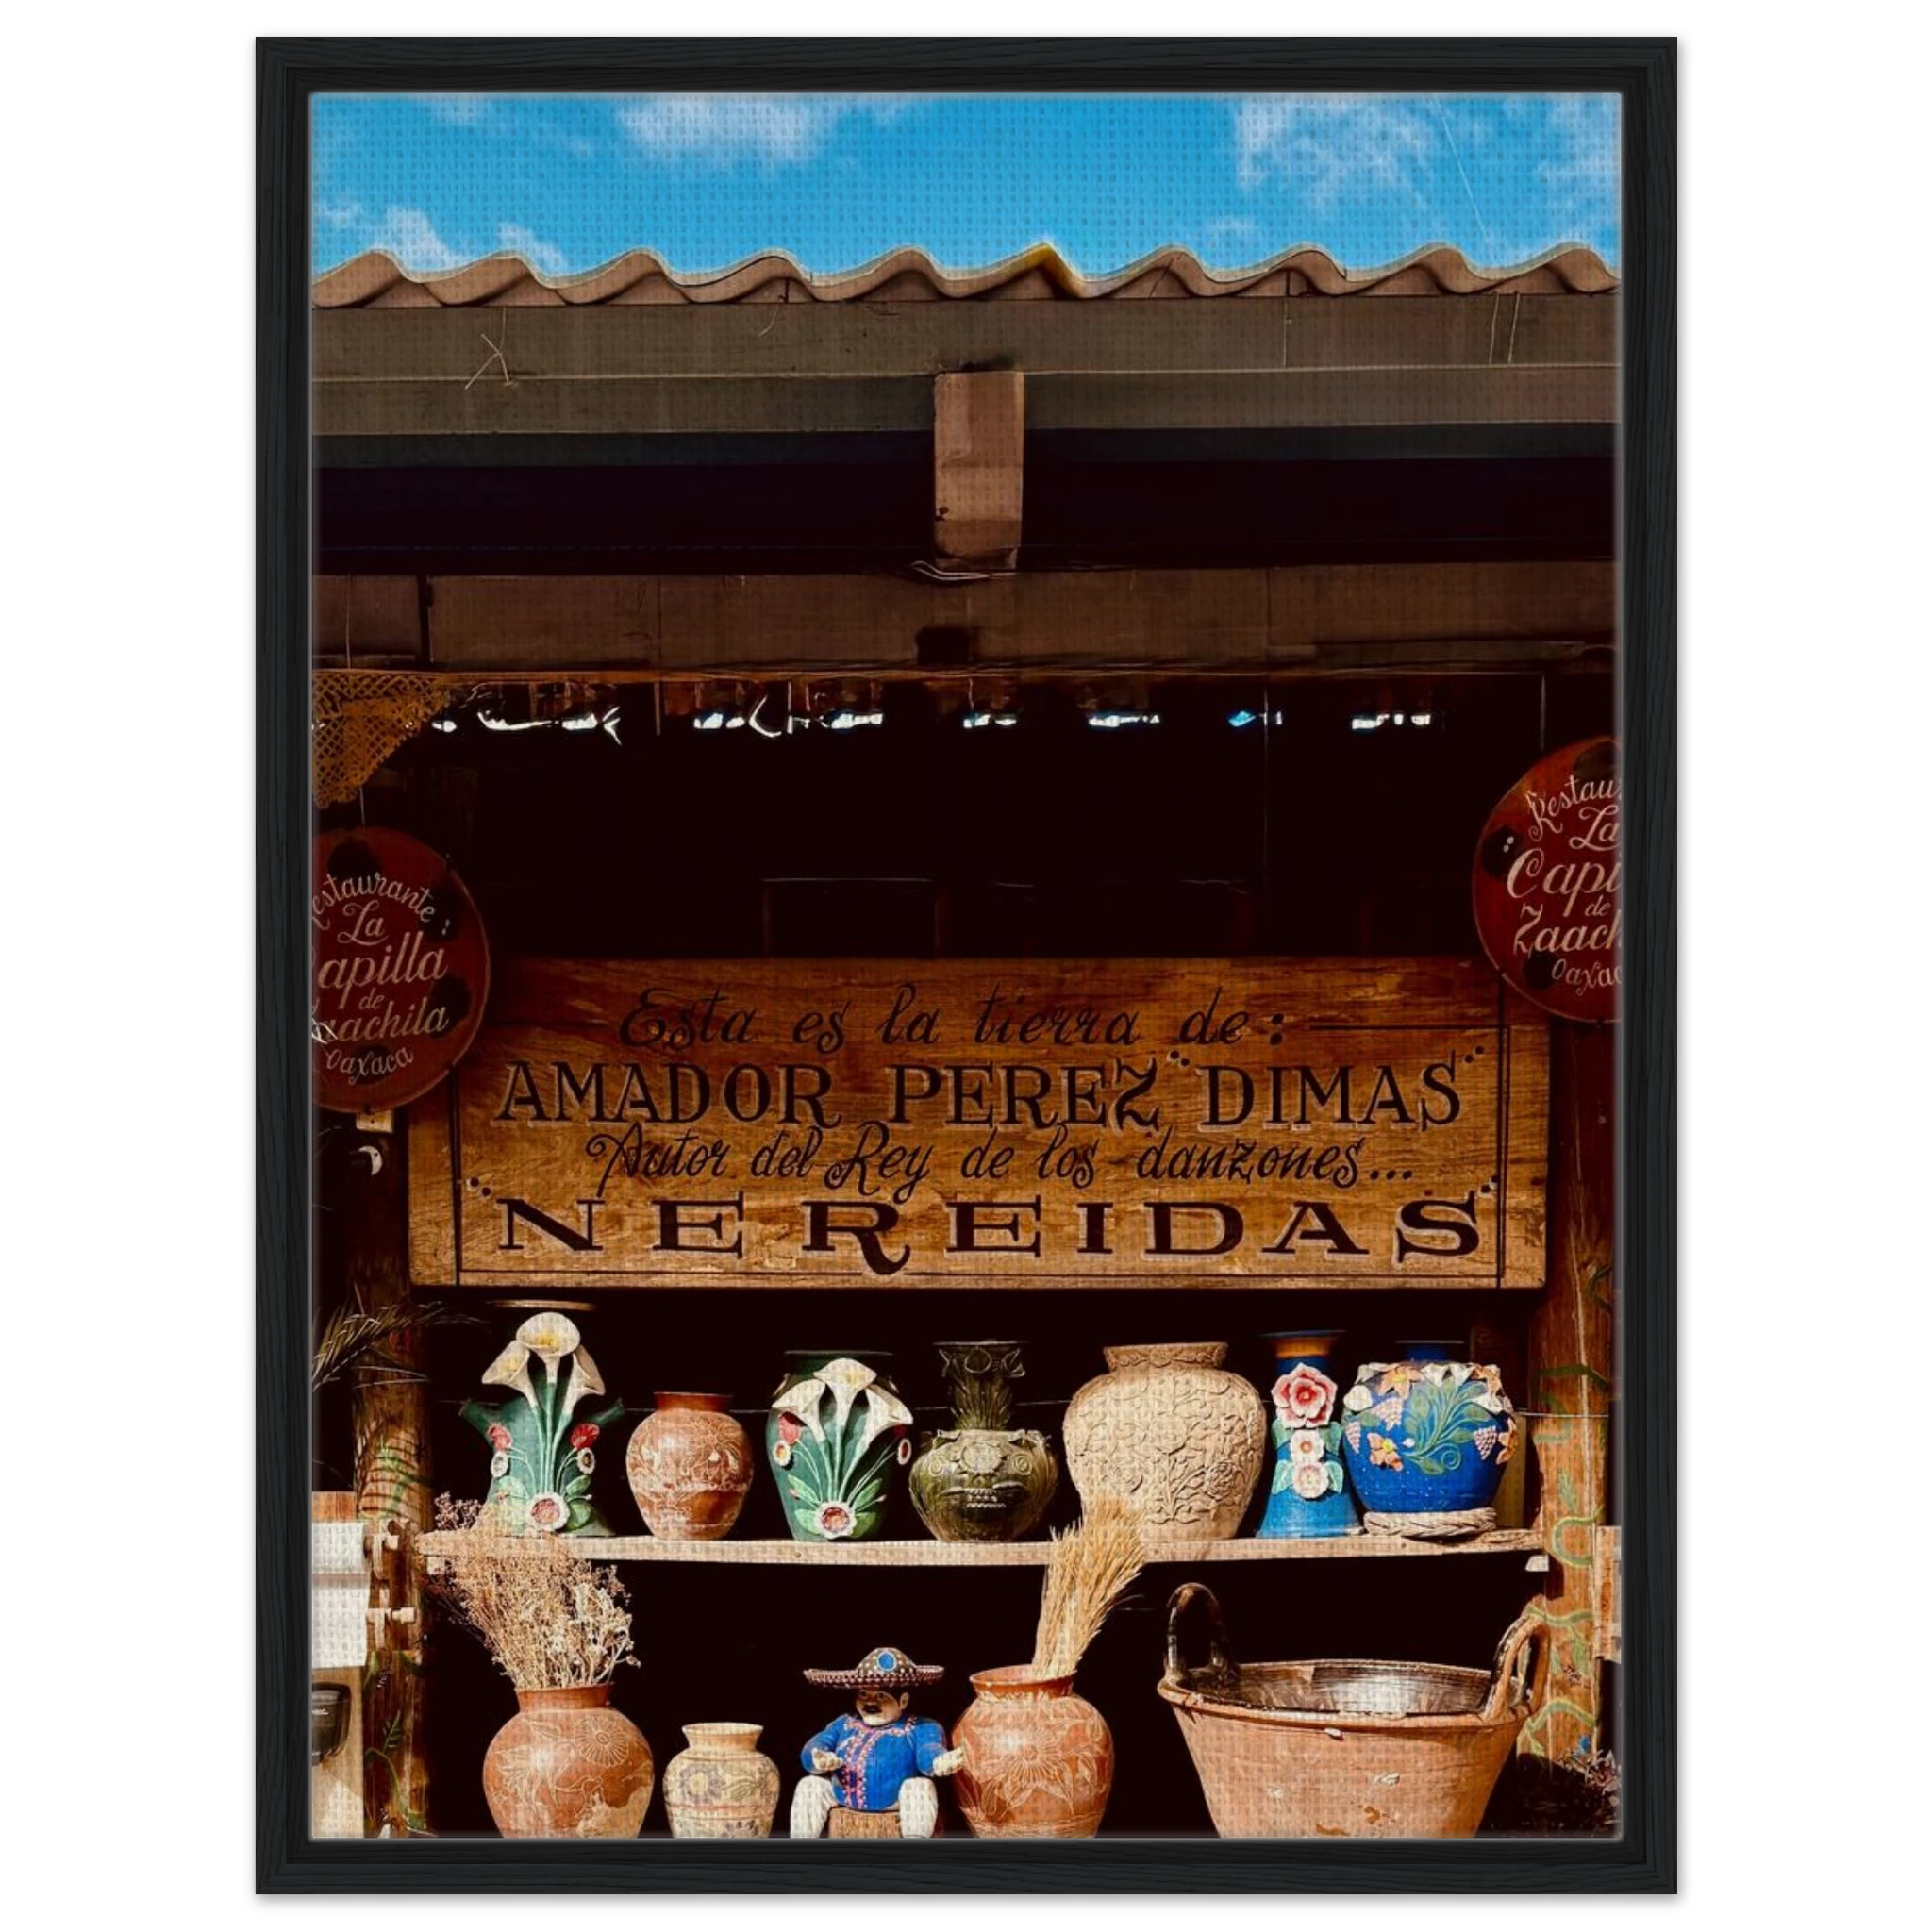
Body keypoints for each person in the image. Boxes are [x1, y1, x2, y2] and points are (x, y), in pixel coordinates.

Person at [790, 1646, 962, 1838]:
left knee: (919, 1787)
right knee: (809, 1785)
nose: (870, 1702)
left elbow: (928, 1751)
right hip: (842, 1795)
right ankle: (801, 1844)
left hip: (894, 1800)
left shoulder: (921, 1727)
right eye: (864, 1694)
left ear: (903, 1701)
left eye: (881, 1696)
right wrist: (817, 1757)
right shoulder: (844, 1723)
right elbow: (815, 1746)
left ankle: (914, 1846)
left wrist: (938, 1761)